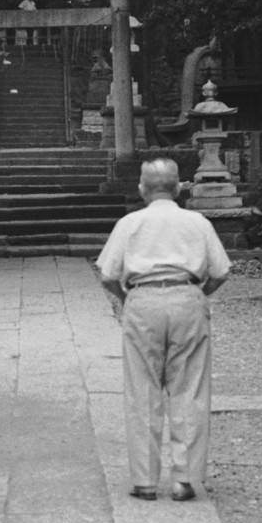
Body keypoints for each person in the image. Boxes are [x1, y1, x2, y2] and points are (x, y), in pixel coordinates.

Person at [96, 158, 231, 502]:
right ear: (178, 187)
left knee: (142, 390)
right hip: (187, 296)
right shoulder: (196, 222)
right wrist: (197, 294)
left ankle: (144, 480)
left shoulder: (130, 223)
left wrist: (126, 299)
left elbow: (108, 275)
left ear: (142, 188)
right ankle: (184, 479)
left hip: (142, 299)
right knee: (189, 388)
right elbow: (220, 271)